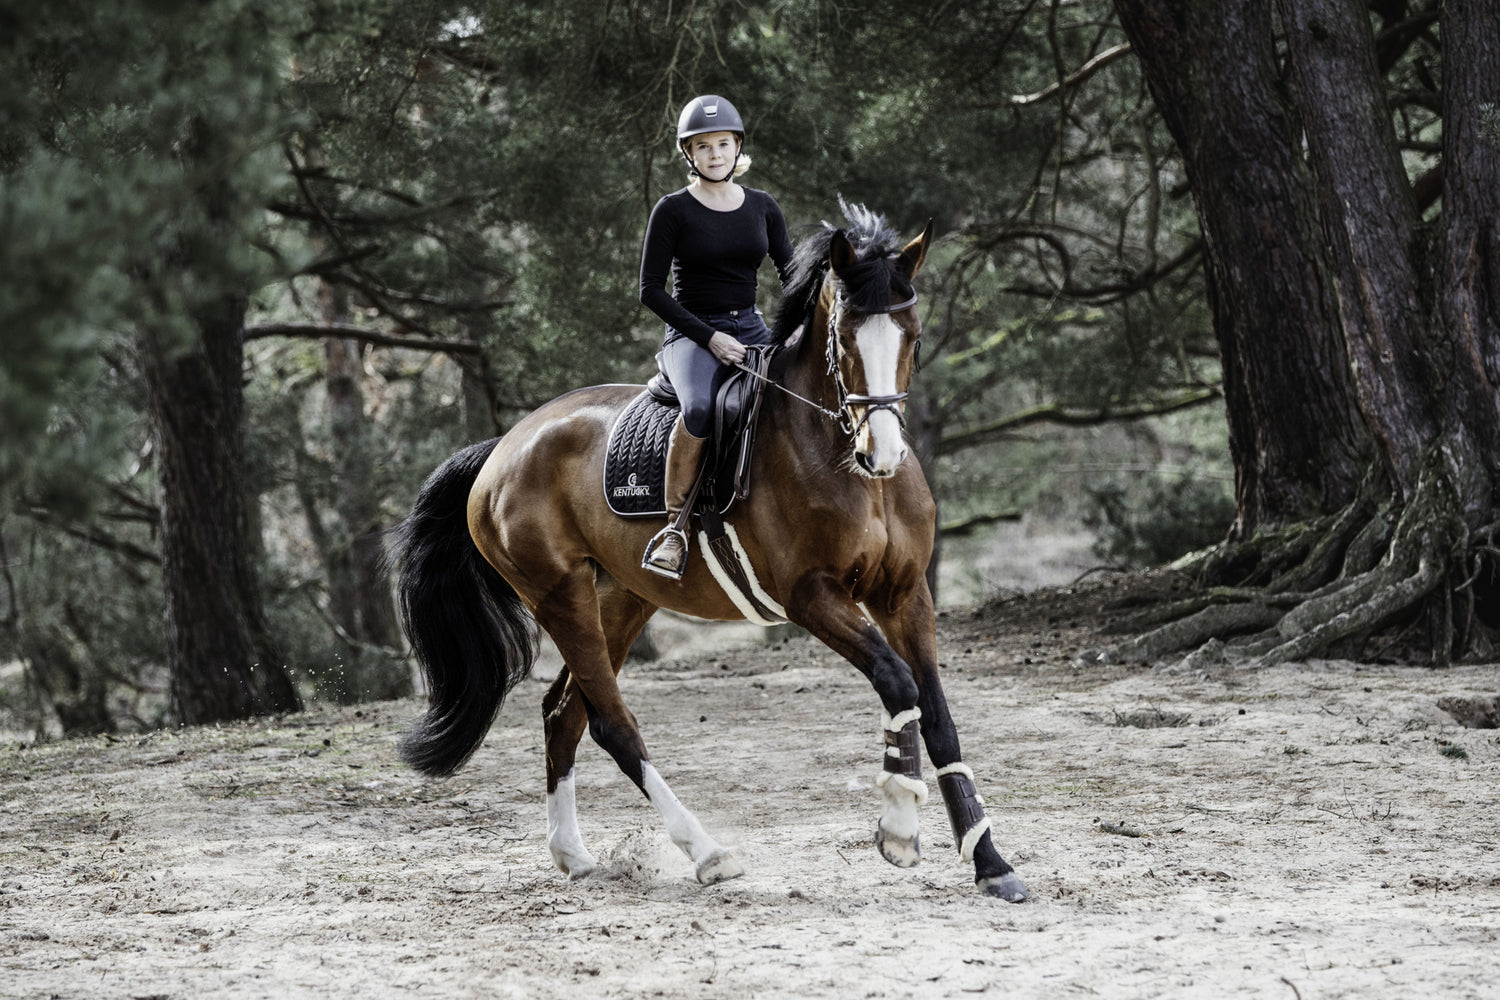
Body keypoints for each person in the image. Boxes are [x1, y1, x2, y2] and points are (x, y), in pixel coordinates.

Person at [638, 94, 795, 579]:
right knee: (702, 409)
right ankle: (674, 527)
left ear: (737, 147)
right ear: (690, 154)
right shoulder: (673, 211)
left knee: (795, 398)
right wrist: (708, 338)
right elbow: (649, 290)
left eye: (722, 144)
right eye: (703, 147)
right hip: (690, 333)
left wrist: (799, 328)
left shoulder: (764, 208)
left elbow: (793, 274)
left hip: (751, 327)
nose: (714, 154)